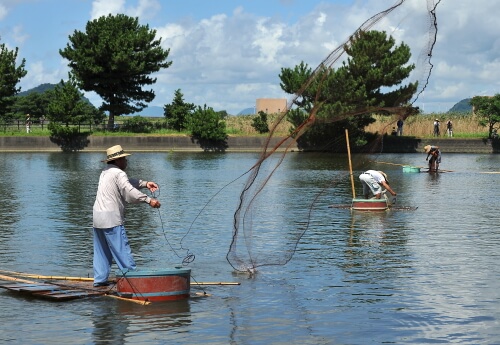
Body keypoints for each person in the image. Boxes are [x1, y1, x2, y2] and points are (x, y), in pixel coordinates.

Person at [92, 145, 161, 287]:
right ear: (118, 161)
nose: (126, 161)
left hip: (98, 218)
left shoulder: (106, 172)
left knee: (101, 252)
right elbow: (129, 191)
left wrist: (145, 183)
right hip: (111, 219)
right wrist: (149, 200)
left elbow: (127, 184)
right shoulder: (119, 173)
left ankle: (99, 281)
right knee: (122, 251)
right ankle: (133, 282)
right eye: (124, 158)